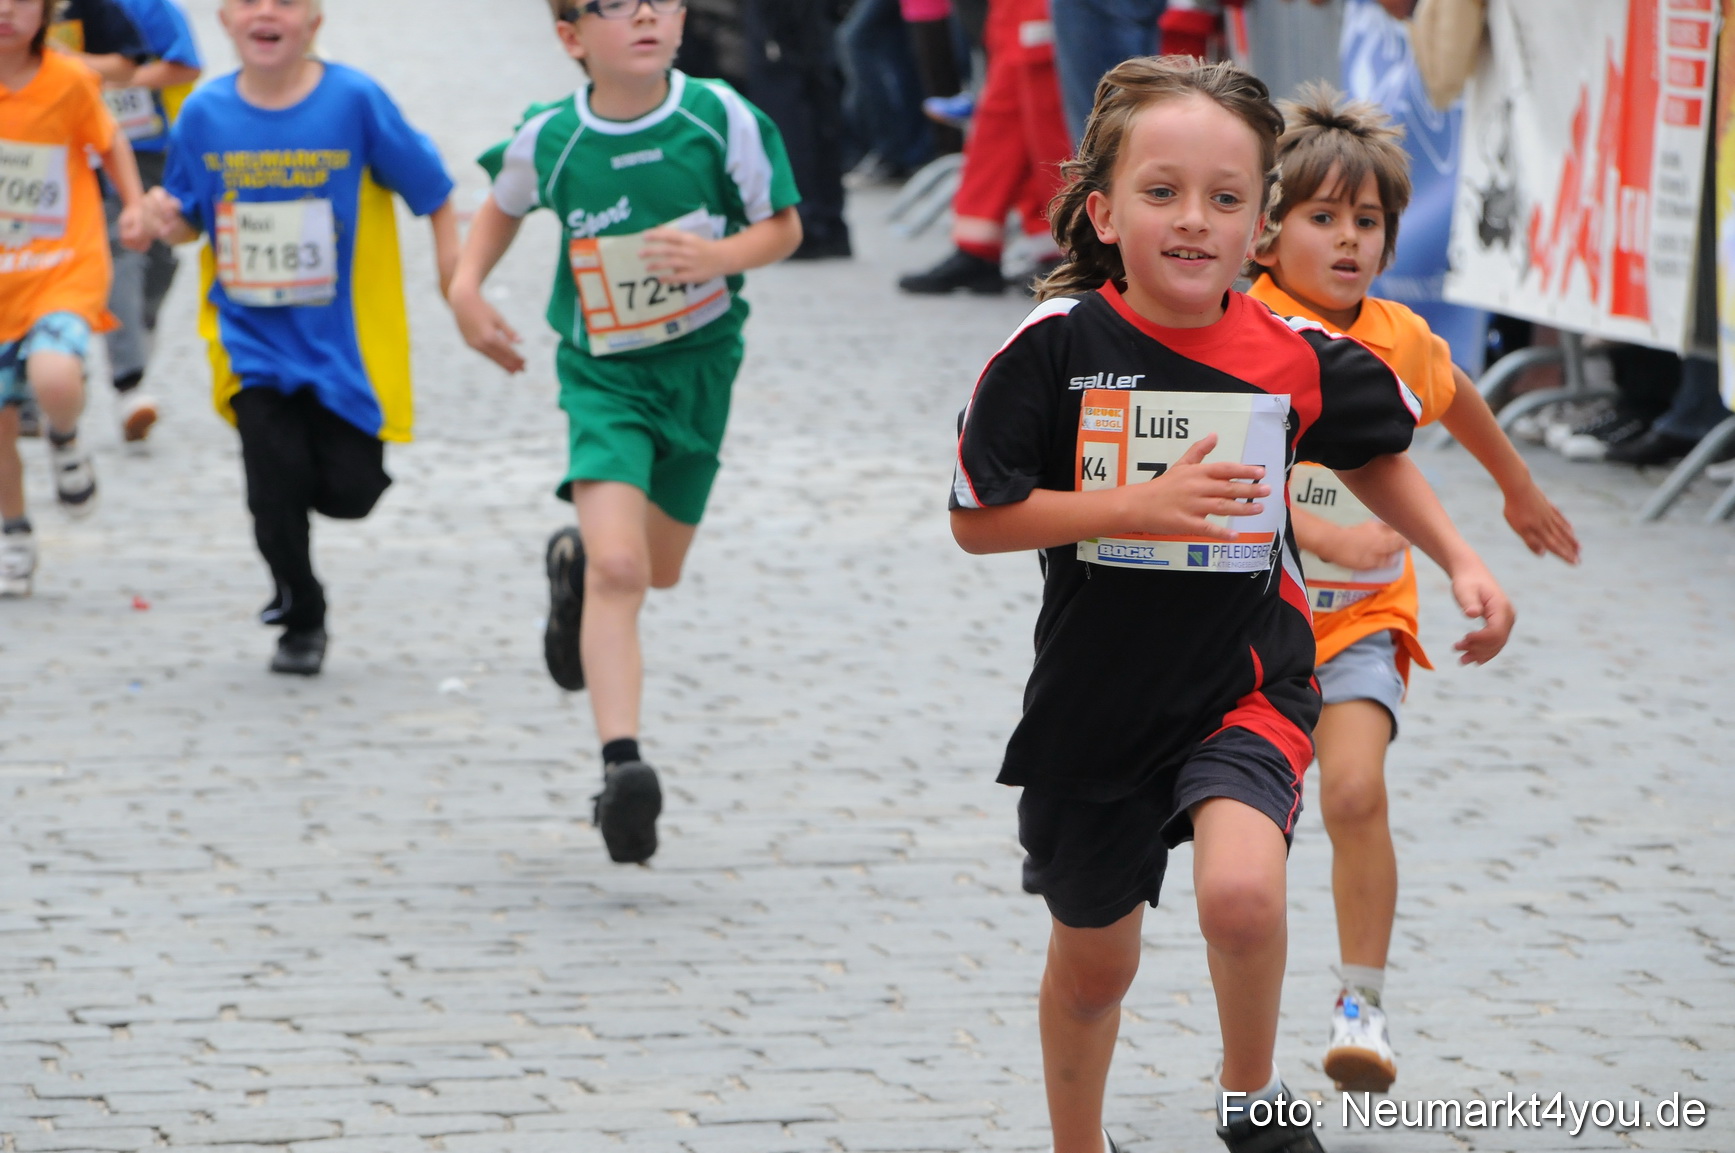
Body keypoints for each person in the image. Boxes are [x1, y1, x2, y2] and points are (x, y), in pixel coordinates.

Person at [949, 56, 1513, 1153]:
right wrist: (1136, 506)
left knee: (1243, 896)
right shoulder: (1052, 350)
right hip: (1092, 706)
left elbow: (1375, 449)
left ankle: (1249, 1106)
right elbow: (979, 515)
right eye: (1161, 193)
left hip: (1244, 681)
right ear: (1103, 210)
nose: (1192, 220)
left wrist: (1460, 559)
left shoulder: (1293, 354)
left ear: (1259, 225)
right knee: (1094, 965)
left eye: (1224, 197)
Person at [1243, 86, 1576, 1095]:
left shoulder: (1395, 333)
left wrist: (1514, 491)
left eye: (1367, 221)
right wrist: (1324, 529)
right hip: (1243, 621)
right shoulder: (1236, 322)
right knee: (1242, 845)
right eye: (1321, 217)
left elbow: (1456, 395)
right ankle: (1234, 1032)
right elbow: (1228, 485)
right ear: (1264, 230)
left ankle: (1361, 1006)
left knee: (1352, 792)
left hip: (1363, 617)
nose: (1347, 239)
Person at [447, 0, 802, 866]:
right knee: (622, 567)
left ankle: (570, 566)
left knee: (659, 568)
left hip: (699, 372)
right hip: (602, 376)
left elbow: (783, 226)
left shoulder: (721, 118)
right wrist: (465, 290)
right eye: (613, 4)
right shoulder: (553, 135)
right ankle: (622, 768)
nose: (643, 14)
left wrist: (720, 257)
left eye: (660, 0)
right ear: (572, 38)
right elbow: (500, 205)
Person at [146, 0, 458, 675]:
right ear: (225, 20)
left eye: (285, 1)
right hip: (250, 339)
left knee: (352, 489)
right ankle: (301, 611)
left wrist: (455, 283)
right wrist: (161, 218)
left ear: (314, 20)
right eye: (249, 1)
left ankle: (298, 543)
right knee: (271, 484)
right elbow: (187, 216)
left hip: (341, 345)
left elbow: (432, 189)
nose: (266, 12)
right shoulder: (203, 113)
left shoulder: (354, 100)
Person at [0, 0, 149, 597]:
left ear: (46, 11)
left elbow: (110, 143)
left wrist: (134, 203)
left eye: (21, 0)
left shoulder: (68, 80)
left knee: (56, 377)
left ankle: (64, 433)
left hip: (62, 264)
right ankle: (14, 531)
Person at [897, 0, 1068, 295]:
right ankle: (980, 250)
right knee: (998, 128)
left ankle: (1065, 252)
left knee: (1050, 136)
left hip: (1044, 16)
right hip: (1016, 18)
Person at [101, 0, 200, 443]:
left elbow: (186, 65)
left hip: (151, 149)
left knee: (158, 262)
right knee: (121, 251)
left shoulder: (151, 7)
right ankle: (129, 382)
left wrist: (119, 77)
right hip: (85, 153)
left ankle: (136, 330)